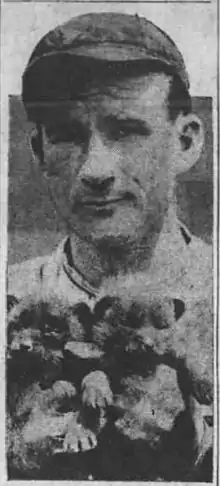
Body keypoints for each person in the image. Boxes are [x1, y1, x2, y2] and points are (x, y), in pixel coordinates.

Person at [7, 12, 213, 480]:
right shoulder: (9, 305)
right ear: (38, 150)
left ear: (184, 142)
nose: (95, 169)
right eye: (67, 136)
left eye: (125, 131)